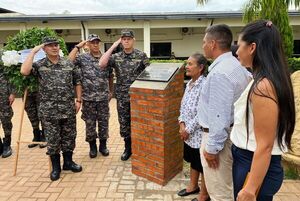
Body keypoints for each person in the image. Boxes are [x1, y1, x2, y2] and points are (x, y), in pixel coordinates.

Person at [231, 20, 295, 201]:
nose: (236, 51)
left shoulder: (263, 86)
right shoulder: (264, 79)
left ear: (252, 47)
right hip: (251, 161)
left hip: (253, 164)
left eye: (239, 44)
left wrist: (250, 188)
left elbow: (265, 145)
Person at [198, 24, 252, 201]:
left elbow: (219, 115)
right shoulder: (237, 66)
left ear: (213, 44)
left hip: (218, 139)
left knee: (220, 193)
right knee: (227, 188)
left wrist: (212, 148)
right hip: (231, 134)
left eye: (204, 42)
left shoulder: (220, 73)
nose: (203, 46)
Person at [21, 36, 83, 181]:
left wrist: (78, 100)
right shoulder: (39, 65)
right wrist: (33, 52)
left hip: (68, 108)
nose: (55, 47)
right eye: (50, 45)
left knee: (69, 137)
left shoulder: (68, 63)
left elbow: (77, 82)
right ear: (44, 49)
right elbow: (24, 71)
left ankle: (68, 162)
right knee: (53, 140)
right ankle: (56, 167)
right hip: (49, 111)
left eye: (56, 45)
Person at [99, 29, 150, 161]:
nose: (126, 41)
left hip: (137, 97)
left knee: (138, 122)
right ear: (121, 41)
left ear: (133, 40)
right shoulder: (116, 57)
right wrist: (113, 46)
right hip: (122, 97)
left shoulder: (141, 56)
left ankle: (139, 148)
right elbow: (102, 63)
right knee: (124, 123)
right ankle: (128, 149)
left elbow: (149, 75)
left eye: (128, 38)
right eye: (123, 39)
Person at [69, 34, 113, 158]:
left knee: (104, 123)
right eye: (92, 42)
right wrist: (78, 47)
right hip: (88, 99)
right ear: (88, 44)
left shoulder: (106, 58)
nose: (95, 44)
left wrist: (111, 91)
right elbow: (68, 61)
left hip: (103, 98)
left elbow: (110, 75)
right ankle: (92, 147)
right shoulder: (82, 58)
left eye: (97, 42)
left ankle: (103, 146)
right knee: (90, 124)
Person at [177, 53, 210, 201]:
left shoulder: (205, 84)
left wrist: (188, 129)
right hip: (188, 134)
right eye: (187, 63)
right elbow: (183, 107)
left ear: (201, 67)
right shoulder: (189, 84)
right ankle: (193, 186)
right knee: (193, 162)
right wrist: (181, 124)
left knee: (202, 165)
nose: (187, 66)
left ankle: (204, 194)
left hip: (198, 134)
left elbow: (203, 113)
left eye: (190, 64)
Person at [0, 65, 15, 158]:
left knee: (6, 120)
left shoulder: (3, 59)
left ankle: (7, 145)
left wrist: (13, 93)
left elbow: (11, 76)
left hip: (4, 96)